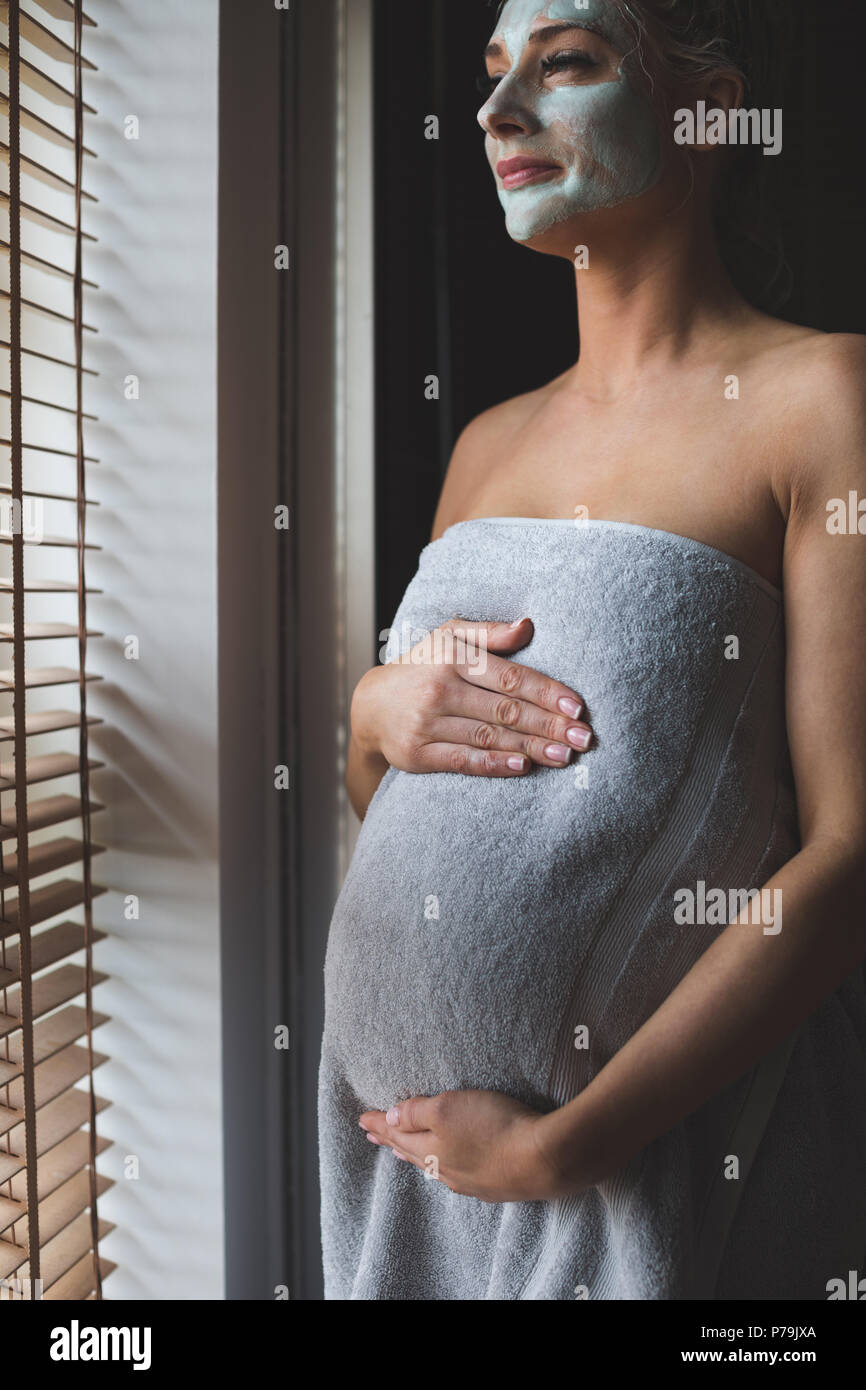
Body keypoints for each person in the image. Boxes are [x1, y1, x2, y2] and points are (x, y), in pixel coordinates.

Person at [318, 0, 866, 1300]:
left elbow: (850, 852)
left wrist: (571, 1145)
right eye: (491, 72)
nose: (496, 110)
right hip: (411, 1184)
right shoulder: (485, 447)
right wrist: (371, 719)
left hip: (659, 1166)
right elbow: (403, 801)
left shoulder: (822, 400)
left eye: (564, 62)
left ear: (709, 114)